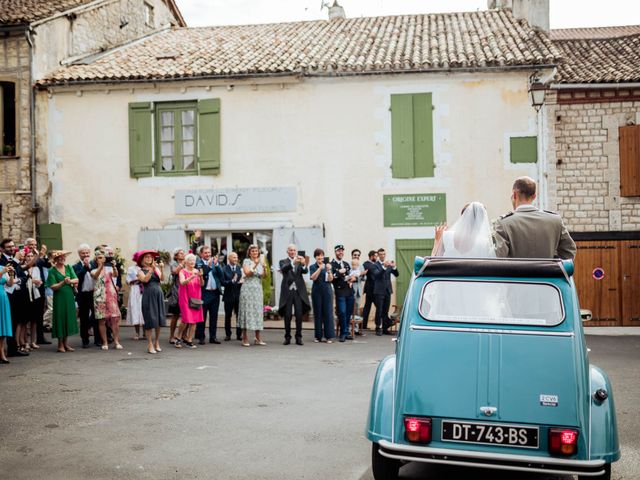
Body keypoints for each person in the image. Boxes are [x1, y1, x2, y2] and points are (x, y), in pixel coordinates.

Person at [494, 176, 577, 260]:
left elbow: (499, 257)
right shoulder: (555, 221)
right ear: (534, 196)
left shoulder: (503, 223)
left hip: (516, 273)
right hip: (547, 273)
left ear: (515, 195)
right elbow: (569, 252)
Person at [431, 202, 496, 258]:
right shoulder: (484, 243)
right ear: (481, 221)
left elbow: (434, 262)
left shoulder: (446, 236)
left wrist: (437, 241)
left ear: (462, 217)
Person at [46, 250, 79, 353]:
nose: (62, 258)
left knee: (67, 318)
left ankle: (65, 343)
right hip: (59, 297)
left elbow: (76, 279)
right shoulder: (52, 270)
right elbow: (52, 286)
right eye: (60, 257)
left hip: (69, 296)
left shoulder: (69, 267)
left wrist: (70, 281)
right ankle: (60, 344)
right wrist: (63, 282)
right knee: (60, 319)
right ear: (55, 259)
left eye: (63, 257)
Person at [1, 238, 29, 357]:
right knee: (7, 322)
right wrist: (16, 259)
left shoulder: (15, 260)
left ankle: (13, 348)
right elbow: (5, 271)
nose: (12, 248)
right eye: (9, 247)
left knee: (15, 321)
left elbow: (23, 275)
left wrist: (18, 280)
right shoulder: (2, 260)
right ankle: (7, 349)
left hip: (17, 294)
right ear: (2, 249)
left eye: (13, 246)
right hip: (5, 294)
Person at [278, 244, 310, 346]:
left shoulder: (300, 261)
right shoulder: (283, 261)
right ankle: (287, 337)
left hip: (298, 291)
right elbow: (284, 269)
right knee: (287, 316)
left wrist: (304, 264)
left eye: (294, 250)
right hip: (288, 291)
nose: (292, 252)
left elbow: (305, 271)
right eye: (291, 250)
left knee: (299, 315)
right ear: (287, 251)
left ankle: (299, 337)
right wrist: (293, 263)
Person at [91, 249, 122, 350]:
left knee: (114, 320)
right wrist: (101, 265)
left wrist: (114, 266)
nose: (102, 259)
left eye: (103, 257)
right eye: (99, 258)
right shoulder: (93, 270)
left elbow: (116, 275)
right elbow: (96, 276)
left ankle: (116, 341)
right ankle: (105, 342)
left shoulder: (109, 270)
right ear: (96, 260)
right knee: (101, 321)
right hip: (99, 298)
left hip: (111, 297)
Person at [238, 244, 267, 347]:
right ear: (249, 253)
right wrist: (255, 264)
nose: (255, 253)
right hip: (247, 289)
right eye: (253, 251)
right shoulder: (247, 261)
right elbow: (247, 273)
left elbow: (264, 276)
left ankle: (257, 338)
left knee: (258, 312)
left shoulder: (260, 261)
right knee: (246, 311)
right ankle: (244, 338)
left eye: (256, 251)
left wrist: (264, 268)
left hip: (257, 290)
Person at [137, 250, 165, 354]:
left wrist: (161, 268)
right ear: (143, 260)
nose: (149, 258)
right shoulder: (140, 271)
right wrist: (151, 270)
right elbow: (145, 280)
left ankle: (157, 342)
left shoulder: (156, 268)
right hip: (148, 296)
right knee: (150, 320)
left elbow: (162, 279)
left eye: (150, 257)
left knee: (158, 319)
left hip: (158, 294)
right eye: (146, 257)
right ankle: (149, 344)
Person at [24, 237, 51, 345]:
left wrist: (43, 256)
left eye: (35, 245)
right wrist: (39, 255)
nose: (33, 247)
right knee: (28, 315)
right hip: (27, 288)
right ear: (27, 246)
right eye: (31, 245)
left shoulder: (39, 257)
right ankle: (26, 339)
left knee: (39, 314)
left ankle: (39, 337)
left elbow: (47, 264)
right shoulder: (25, 256)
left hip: (39, 288)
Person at [195, 246, 223, 345]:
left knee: (214, 316)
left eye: (209, 252)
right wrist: (210, 266)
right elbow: (203, 273)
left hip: (215, 293)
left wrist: (217, 265)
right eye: (205, 253)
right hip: (204, 293)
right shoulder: (199, 263)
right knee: (202, 316)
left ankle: (213, 337)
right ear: (201, 254)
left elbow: (221, 276)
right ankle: (201, 337)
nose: (208, 254)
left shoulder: (214, 263)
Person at [176, 253, 204, 348]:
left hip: (196, 298)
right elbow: (182, 282)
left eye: (194, 260)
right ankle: (178, 338)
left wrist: (200, 276)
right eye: (190, 260)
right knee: (185, 319)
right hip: (185, 298)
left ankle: (189, 339)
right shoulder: (182, 271)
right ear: (186, 262)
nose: (192, 262)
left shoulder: (197, 271)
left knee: (194, 321)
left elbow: (202, 285)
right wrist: (192, 276)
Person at [331, 244, 356, 342]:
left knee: (348, 312)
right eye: (339, 251)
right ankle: (342, 333)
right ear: (335, 252)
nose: (340, 252)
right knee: (342, 312)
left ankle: (346, 332)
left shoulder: (346, 263)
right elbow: (332, 278)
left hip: (349, 290)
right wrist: (339, 272)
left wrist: (353, 278)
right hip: (340, 290)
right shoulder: (331, 264)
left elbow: (350, 274)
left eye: (342, 251)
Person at [309, 248, 335, 343]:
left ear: (323, 256)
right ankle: (318, 336)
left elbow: (331, 279)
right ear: (315, 257)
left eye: (321, 255)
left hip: (327, 291)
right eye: (318, 255)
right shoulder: (312, 266)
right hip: (317, 292)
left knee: (328, 313)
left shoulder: (328, 266)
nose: (320, 257)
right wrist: (320, 268)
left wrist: (328, 270)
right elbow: (313, 277)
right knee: (318, 313)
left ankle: (329, 336)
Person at [73, 244, 96, 348]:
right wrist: (85, 268)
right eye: (83, 253)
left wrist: (90, 267)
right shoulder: (75, 266)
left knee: (97, 316)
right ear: (79, 254)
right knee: (84, 318)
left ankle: (98, 339)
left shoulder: (94, 264)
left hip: (94, 293)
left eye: (87, 252)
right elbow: (77, 277)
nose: (86, 254)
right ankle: (85, 339)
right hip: (83, 294)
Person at [371, 248, 399, 336]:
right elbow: (377, 275)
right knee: (379, 310)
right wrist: (384, 267)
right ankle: (378, 327)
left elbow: (397, 274)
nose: (382, 256)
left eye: (384, 254)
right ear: (378, 255)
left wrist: (394, 267)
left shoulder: (389, 264)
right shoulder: (375, 265)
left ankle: (385, 328)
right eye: (381, 254)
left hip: (387, 290)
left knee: (386, 310)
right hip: (378, 291)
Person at [22, 249, 45, 351]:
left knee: (34, 320)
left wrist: (36, 281)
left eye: (32, 256)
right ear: (25, 258)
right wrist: (33, 280)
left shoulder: (36, 269)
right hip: (26, 296)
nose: (30, 258)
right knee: (26, 321)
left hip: (35, 295)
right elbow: (24, 281)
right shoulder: (23, 268)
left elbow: (39, 281)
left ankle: (33, 341)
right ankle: (26, 342)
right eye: (28, 256)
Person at [222, 251, 242, 341]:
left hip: (238, 296)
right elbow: (223, 283)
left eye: (236, 257)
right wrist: (232, 281)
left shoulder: (239, 268)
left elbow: (241, 280)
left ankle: (239, 335)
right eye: (234, 257)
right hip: (228, 296)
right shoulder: (224, 269)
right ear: (229, 259)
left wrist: (240, 282)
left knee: (239, 316)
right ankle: (228, 334)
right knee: (228, 316)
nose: (236, 259)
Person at [167, 248, 185, 345]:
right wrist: (182, 264)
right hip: (176, 293)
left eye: (183, 253)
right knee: (175, 315)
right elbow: (174, 272)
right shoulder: (174, 264)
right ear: (176, 256)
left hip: (186, 291)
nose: (183, 255)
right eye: (180, 254)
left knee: (185, 315)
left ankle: (182, 335)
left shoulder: (187, 263)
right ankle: (171, 336)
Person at [125, 252, 144, 340]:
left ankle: (144, 332)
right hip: (135, 290)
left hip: (144, 290)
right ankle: (137, 332)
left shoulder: (146, 268)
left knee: (144, 310)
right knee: (135, 309)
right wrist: (138, 279)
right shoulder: (131, 269)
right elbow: (128, 281)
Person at [0, 263, 15, 363]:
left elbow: (9, 284)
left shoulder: (2, 267)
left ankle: (1, 349)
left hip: (3, 297)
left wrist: (11, 275)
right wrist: (2, 272)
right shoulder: (2, 269)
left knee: (3, 326)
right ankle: (1, 352)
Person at [361, 250, 378, 331]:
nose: (376, 257)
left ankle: (366, 325)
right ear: (371, 256)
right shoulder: (366, 264)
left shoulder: (375, 264)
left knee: (369, 307)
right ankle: (364, 325)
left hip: (375, 289)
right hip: (370, 289)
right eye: (375, 256)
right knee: (368, 307)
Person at [350, 249, 366, 336]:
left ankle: (356, 329)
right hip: (351, 290)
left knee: (357, 311)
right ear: (352, 255)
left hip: (359, 291)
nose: (356, 256)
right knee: (350, 310)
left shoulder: (361, 266)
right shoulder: (349, 264)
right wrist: (358, 275)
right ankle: (349, 329)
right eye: (355, 255)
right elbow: (350, 275)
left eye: (358, 255)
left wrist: (363, 274)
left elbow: (364, 279)